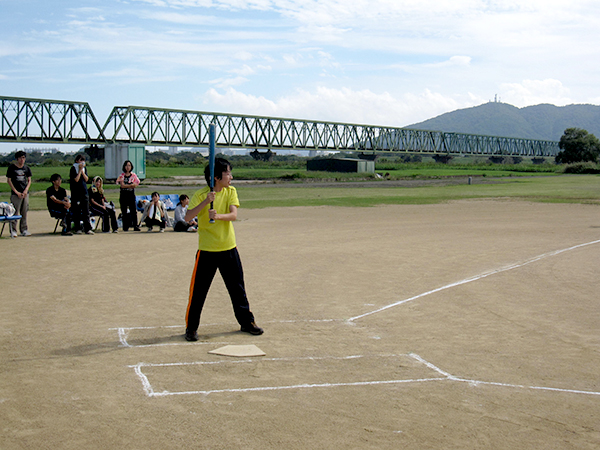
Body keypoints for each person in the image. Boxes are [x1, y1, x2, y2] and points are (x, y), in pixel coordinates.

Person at [184, 157, 263, 341]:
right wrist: (206, 202)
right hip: (207, 251)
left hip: (228, 248)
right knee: (198, 292)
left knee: (237, 289)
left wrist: (217, 216)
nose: (231, 177)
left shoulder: (230, 191)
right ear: (216, 177)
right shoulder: (201, 194)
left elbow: (233, 215)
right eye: (228, 173)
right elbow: (188, 217)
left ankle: (247, 322)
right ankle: (191, 328)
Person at [6, 150, 32, 237]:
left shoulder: (26, 168)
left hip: (25, 193)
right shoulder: (12, 168)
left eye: (23, 158)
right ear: (17, 159)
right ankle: (13, 230)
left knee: (24, 211)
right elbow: (9, 180)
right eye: (20, 158)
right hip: (15, 194)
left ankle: (24, 229)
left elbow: (29, 180)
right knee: (14, 212)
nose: (22, 160)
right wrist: (16, 192)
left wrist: (26, 190)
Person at [69, 154, 94, 235]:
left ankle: (87, 228)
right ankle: (77, 228)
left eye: (83, 160)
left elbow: (86, 179)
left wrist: (82, 171)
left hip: (84, 192)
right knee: (76, 211)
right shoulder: (73, 168)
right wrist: (79, 170)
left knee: (86, 211)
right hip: (76, 193)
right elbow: (76, 179)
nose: (82, 162)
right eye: (81, 160)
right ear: (77, 161)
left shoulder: (84, 169)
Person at [116, 160, 141, 232]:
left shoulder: (134, 176)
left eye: (129, 165)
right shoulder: (121, 176)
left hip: (131, 194)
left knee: (133, 210)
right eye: (126, 165)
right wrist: (130, 185)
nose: (128, 167)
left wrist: (127, 185)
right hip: (123, 195)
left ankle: (135, 225)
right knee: (124, 211)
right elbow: (122, 185)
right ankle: (125, 226)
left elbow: (135, 184)